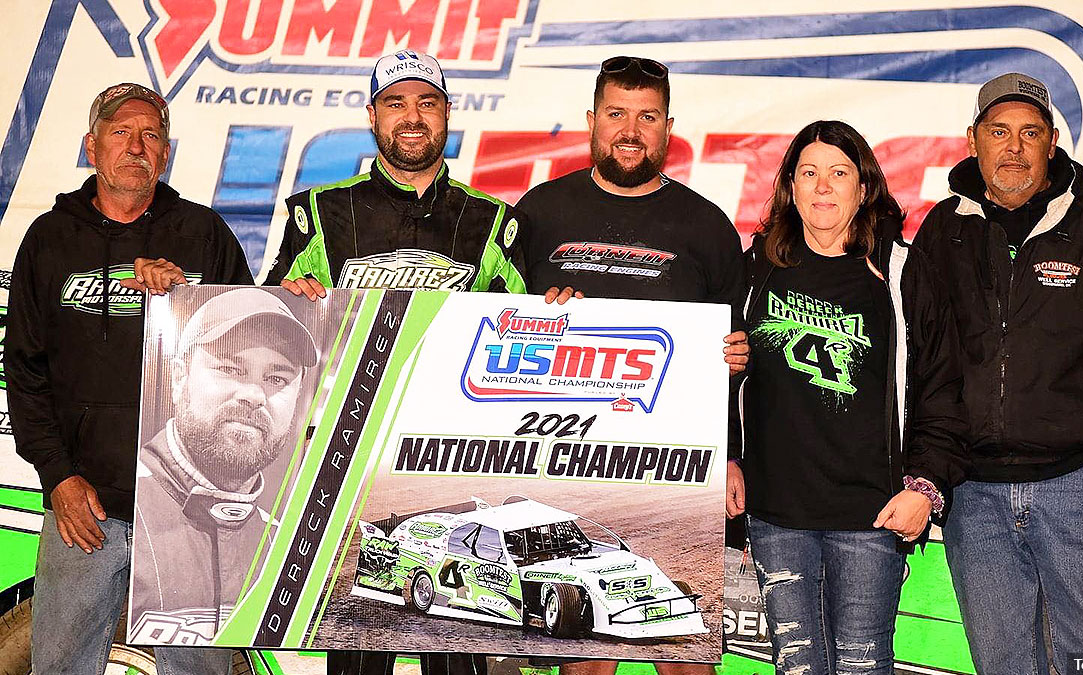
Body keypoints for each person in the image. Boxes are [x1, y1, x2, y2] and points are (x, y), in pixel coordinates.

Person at [913, 72, 1083, 673]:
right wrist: (933, 470)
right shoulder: (942, 233)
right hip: (975, 498)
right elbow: (923, 370)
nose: (1013, 147)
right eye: (999, 131)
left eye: (1029, 133)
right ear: (972, 140)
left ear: (1053, 142)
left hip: (1079, 487)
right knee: (1004, 667)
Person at [265, 49, 524, 675]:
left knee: (458, 632)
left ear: (447, 115)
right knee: (359, 633)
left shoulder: (492, 219)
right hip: (345, 456)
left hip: (455, 459)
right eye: (396, 103)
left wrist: (558, 311)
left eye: (427, 103)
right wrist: (291, 302)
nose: (413, 117)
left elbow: (529, 342)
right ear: (372, 116)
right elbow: (271, 337)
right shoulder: (319, 212)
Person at [8, 82, 253, 674]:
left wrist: (188, 299)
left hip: (186, 511)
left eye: (151, 135)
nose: (136, 145)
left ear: (165, 154)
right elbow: (24, 371)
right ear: (92, 147)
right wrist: (58, 477)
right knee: (60, 667)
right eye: (121, 132)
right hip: (83, 507)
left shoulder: (203, 235)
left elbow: (248, 354)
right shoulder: (48, 239)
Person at [517, 56, 747, 675]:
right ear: (591, 121)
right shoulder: (538, 214)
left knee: (683, 649)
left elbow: (739, 352)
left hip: (681, 464)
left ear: (669, 127)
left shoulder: (708, 227)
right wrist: (538, 318)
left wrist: (731, 448)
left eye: (647, 117)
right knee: (588, 653)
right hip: (566, 456)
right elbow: (493, 332)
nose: (630, 130)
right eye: (616, 114)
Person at [725, 120, 967, 675]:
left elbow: (941, 388)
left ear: (865, 188)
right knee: (797, 667)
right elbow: (720, 372)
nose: (823, 187)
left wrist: (925, 488)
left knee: (862, 666)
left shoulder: (901, 271)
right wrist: (729, 453)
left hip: (871, 514)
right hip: (777, 515)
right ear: (790, 186)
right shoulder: (757, 267)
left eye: (839, 173)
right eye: (809, 173)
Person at [128, 288, 318, 645]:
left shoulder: (286, 546)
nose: (254, 395)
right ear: (179, 378)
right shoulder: (122, 509)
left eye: (277, 379)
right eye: (230, 369)